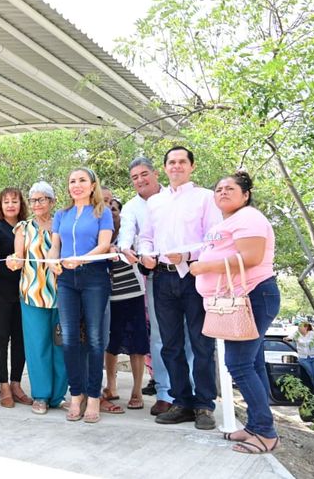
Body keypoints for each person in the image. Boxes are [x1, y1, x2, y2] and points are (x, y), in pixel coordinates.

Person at [190, 170, 280, 453]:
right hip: (243, 296)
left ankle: (266, 432)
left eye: (230, 188)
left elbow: (251, 258)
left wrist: (204, 267)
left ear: (246, 195)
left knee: (239, 364)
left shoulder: (249, 217)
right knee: (250, 364)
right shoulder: (230, 220)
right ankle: (256, 425)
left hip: (253, 295)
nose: (223, 192)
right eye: (218, 189)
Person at [141, 146, 222, 430]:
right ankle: (181, 402)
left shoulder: (205, 198)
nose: (176, 166)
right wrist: (146, 253)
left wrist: (187, 255)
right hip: (162, 277)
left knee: (201, 343)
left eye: (182, 162)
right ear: (164, 168)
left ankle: (204, 405)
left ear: (191, 167)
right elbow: (146, 237)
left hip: (194, 276)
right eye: (171, 162)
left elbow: (213, 239)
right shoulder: (155, 202)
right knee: (170, 344)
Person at [48, 168, 114, 423]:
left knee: (96, 339)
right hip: (66, 279)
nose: (77, 185)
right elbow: (55, 246)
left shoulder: (102, 212)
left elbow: (104, 245)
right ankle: (76, 395)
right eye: (72, 181)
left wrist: (81, 260)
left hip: (94, 277)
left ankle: (94, 397)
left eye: (82, 181)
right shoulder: (61, 215)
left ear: (92, 185)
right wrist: (53, 263)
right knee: (69, 339)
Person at [117, 156, 173, 415]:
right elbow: (127, 235)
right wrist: (126, 248)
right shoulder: (131, 207)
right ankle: (165, 393)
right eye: (134, 177)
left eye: (143, 174)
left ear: (156, 174)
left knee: (189, 337)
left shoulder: (175, 198)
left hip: (187, 273)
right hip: (154, 275)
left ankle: (193, 394)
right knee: (159, 337)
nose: (140, 180)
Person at [6, 182, 68, 414]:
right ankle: (40, 396)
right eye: (33, 200)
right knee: (37, 346)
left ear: (52, 202)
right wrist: (13, 260)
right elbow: (19, 256)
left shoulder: (62, 223)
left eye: (42, 199)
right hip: (32, 294)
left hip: (63, 295)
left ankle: (58, 397)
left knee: (61, 345)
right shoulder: (23, 228)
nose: (37, 204)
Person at [0, 188, 31, 407]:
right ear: (0, 205)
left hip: (23, 289)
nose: (10, 205)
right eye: (6, 202)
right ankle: (3, 384)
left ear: (21, 204)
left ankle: (16, 383)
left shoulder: (28, 227)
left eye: (14, 201)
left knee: (21, 339)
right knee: (0, 338)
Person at [104, 198, 149, 410]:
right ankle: (111, 387)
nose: (110, 211)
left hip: (133, 294)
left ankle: (136, 390)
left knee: (137, 344)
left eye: (113, 208)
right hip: (107, 297)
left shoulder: (130, 233)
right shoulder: (99, 233)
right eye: (105, 207)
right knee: (109, 344)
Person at [286, 323, 314, 402]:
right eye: (298, 327)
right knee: (313, 377)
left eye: (301, 327)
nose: (299, 328)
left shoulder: (313, 334)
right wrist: (287, 339)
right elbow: (288, 338)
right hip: (304, 359)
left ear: (306, 328)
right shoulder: (296, 334)